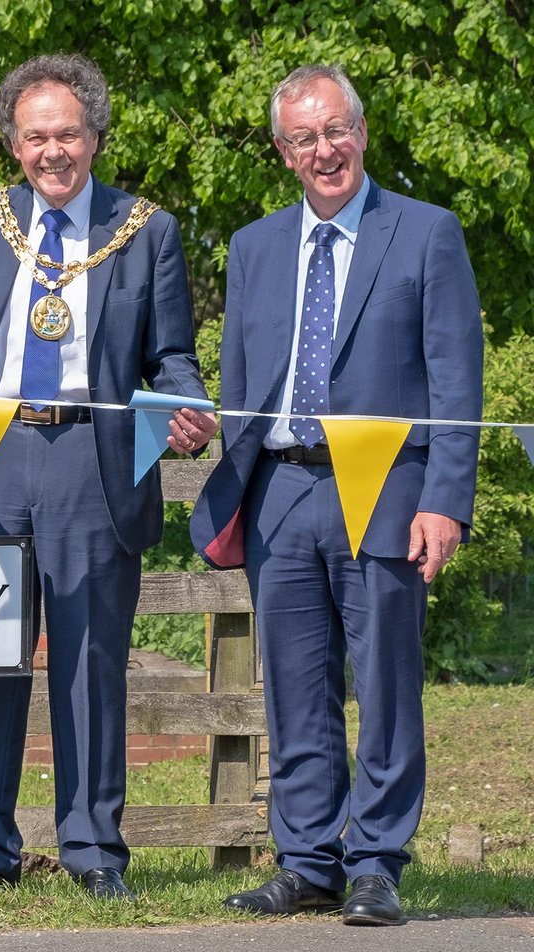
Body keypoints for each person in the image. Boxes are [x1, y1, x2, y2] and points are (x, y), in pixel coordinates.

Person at [0, 54, 216, 901]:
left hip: (92, 458)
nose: (53, 151)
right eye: (36, 136)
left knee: (90, 661)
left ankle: (93, 847)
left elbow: (171, 354)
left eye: (68, 134)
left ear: (95, 137)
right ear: (13, 144)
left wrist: (187, 409)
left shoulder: (146, 229)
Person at [191, 64, 483, 926]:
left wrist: (446, 499)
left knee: (386, 683)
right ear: (284, 153)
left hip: (388, 491)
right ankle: (309, 860)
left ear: (360, 132)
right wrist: (228, 472)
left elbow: (457, 383)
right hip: (280, 491)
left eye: (335, 130)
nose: (324, 150)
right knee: (294, 688)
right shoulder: (254, 246)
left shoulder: (426, 233)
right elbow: (241, 381)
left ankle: (376, 863)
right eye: (304, 138)